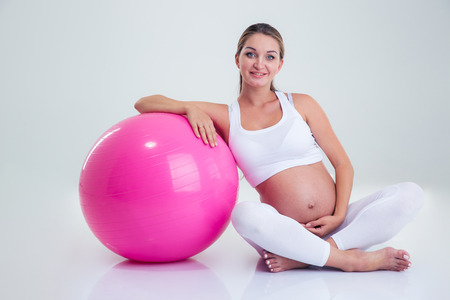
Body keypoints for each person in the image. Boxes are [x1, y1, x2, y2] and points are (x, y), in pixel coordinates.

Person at [134, 23, 424, 273]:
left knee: (411, 194)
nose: (260, 64)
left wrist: (337, 216)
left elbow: (343, 164)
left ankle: (316, 255)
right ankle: (350, 262)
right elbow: (144, 103)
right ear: (237, 60)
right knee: (244, 215)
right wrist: (187, 107)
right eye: (251, 54)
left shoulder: (302, 104)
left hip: (336, 224)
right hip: (284, 235)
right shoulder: (226, 116)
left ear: (279, 64)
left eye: (269, 56)